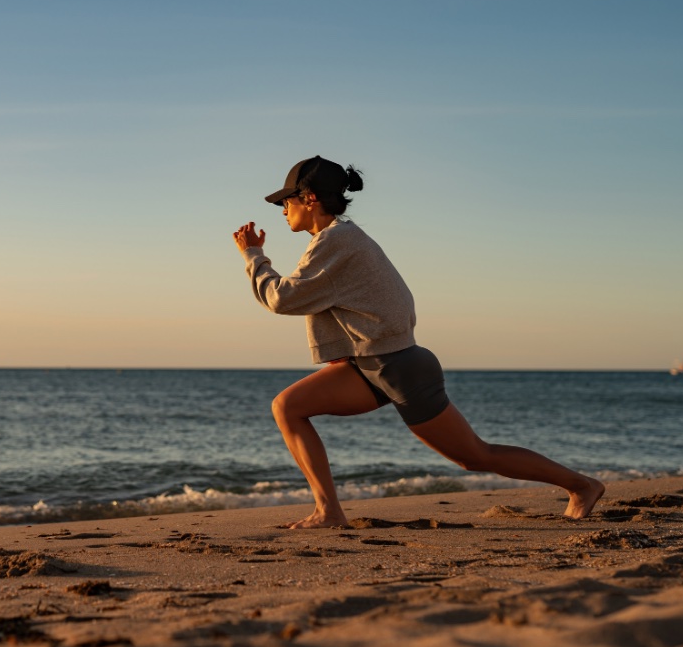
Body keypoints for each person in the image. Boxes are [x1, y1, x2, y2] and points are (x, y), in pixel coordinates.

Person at [232, 155, 606, 529]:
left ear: (310, 198)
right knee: (288, 406)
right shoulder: (339, 240)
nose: (283, 210)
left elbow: (283, 299)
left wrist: (253, 256)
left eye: (287, 200)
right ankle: (328, 511)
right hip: (372, 365)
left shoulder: (337, 241)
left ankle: (582, 485)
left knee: (475, 456)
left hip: (398, 368)